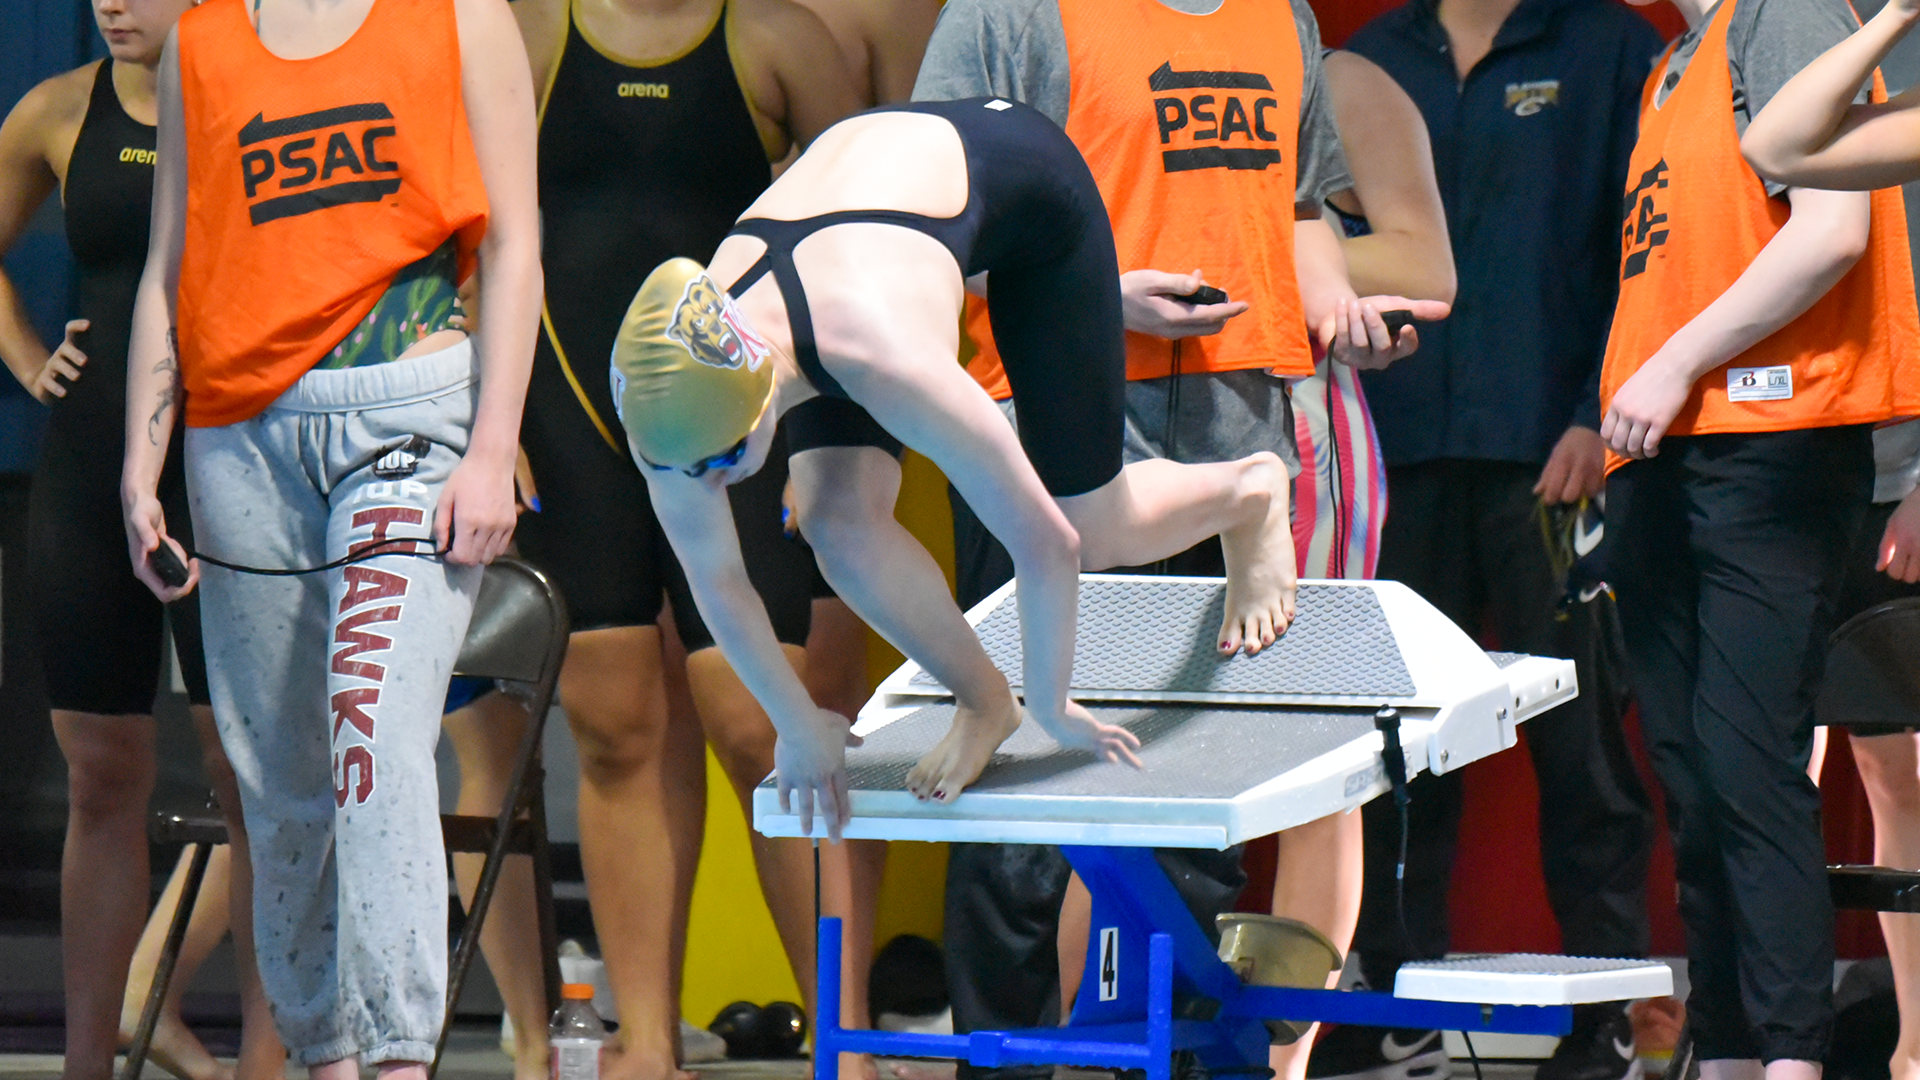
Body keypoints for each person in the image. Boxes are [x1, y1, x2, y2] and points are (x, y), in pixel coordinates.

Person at [905, 3, 1446, 1074]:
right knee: (1023, 818)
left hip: (1231, 441)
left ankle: (1179, 1058)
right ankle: (1014, 1059)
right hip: (1044, 433)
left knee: (1192, 809)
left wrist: (1333, 315)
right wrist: (1096, 300)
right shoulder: (1016, 14)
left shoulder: (1274, 17)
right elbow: (921, 232)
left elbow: (1295, 211)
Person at [616, 97, 1310, 842]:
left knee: (1091, 521)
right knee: (834, 522)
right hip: (867, 215)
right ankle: (984, 700)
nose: (707, 483)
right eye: (684, 470)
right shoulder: (662, 385)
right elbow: (716, 580)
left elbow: (1048, 545)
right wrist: (795, 721)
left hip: (1023, 185)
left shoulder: (883, 351)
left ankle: (1252, 491)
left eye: (724, 461)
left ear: (758, 403)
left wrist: (1051, 702)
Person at [119, 0, 540, 1072]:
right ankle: (324, 1056)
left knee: (375, 741)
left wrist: (494, 446)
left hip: (405, 419)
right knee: (280, 777)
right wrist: (140, 460)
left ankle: (399, 1054)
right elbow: (169, 265)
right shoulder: (204, 43)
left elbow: (518, 241)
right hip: (237, 441)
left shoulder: (460, 18)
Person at [505, 0, 877, 1075]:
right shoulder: (534, 36)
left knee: (770, 727)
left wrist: (832, 440)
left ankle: (844, 1045)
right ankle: (650, 1046)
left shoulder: (774, 39)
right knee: (615, 725)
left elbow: (865, 245)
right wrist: (490, 430)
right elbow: (474, 229)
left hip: (742, 429)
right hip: (572, 424)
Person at [1336, 1, 1666, 1074]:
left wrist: (1593, 410)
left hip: (1557, 461)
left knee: (1582, 736)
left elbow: (1650, 244)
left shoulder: (1612, 49)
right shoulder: (1368, 61)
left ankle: (1604, 1016)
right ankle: (1394, 1003)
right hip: (1393, 457)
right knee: (1390, 746)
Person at [1597, 0, 1920, 1067]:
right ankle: (1731, 1045)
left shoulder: (1777, 14)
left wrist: (1679, 361)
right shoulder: (1669, 67)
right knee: (1691, 775)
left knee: (1750, 762)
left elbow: (1833, 230)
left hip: (1768, 439)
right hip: (1664, 451)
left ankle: (1790, 1051)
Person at [0, 0, 281, 1075]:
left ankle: (265, 1055)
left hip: (233, 461)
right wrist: (32, 362)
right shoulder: (58, 111)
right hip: (91, 466)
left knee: (249, 770)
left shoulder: (262, 102)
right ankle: (85, 1060)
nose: (112, 2)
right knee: (101, 774)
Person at [1739, 15, 1920, 1077]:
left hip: (1894, 460)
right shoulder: (1763, 38)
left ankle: (1912, 1051)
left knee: (1899, 772)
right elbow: (1783, 153)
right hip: (1789, 451)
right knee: (1769, 769)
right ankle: (1777, 1042)